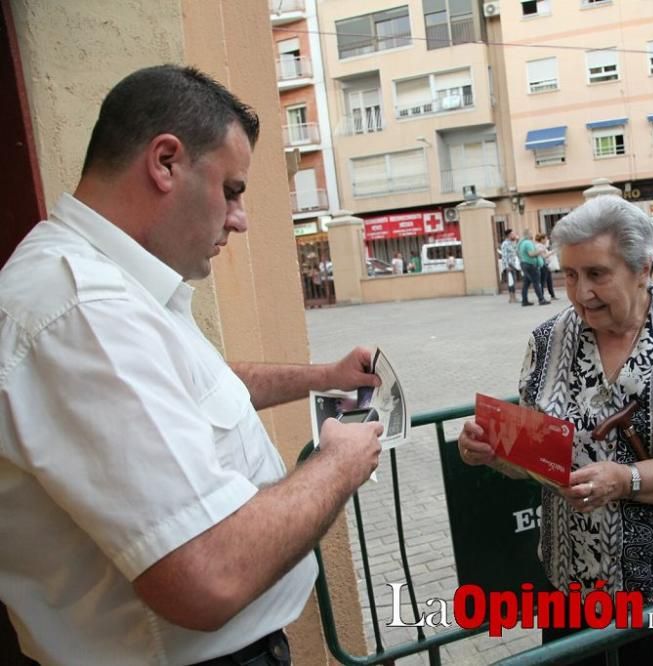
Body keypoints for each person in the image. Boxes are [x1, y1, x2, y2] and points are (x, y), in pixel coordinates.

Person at [0, 65, 383, 665]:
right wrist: (338, 464)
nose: (240, 218)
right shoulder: (82, 310)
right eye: (231, 189)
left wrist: (322, 378)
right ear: (166, 162)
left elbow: (196, 388)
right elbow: (208, 577)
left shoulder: (116, 287)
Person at [458, 196, 653, 659]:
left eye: (596, 274)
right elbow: (533, 461)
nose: (579, 293)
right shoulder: (547, 340)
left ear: (643, 270)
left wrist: (626, 480)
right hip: (571, 589)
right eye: (569, 275)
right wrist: (493, 451)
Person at [518, 227, 549, 307]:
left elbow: (518, 253)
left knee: (526, 283)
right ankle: (541, 299)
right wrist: (540, 251)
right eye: (531, 233)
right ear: (528, 234)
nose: (532, 235)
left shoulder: (521, 243)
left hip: (524, 264)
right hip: (530, 265)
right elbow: (531, 254)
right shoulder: (528, 243)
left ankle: (524, 301)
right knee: (536, 283)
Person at [535, 232, 559, 300]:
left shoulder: (542, 246)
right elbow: (543, 256)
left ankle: (552, 295)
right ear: (542, 239)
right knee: (543, 281)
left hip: (546, 265)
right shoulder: (539, 246)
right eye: (545, 238)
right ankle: (542, 296)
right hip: (543, 265)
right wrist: (552, 252)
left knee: (549, 280)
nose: (546, 240)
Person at [500, 228, 520, 303]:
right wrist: (506, 266)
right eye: (513, 234)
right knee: (511, 281)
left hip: (514, 264)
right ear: (509, 235)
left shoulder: (512, 243)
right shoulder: (505, 244)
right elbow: (504, 256)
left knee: (514, 281)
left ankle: (514, 297)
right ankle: (511, 298)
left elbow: (515, 251)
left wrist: (517, 240)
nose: (514, 235)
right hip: (509, 265)